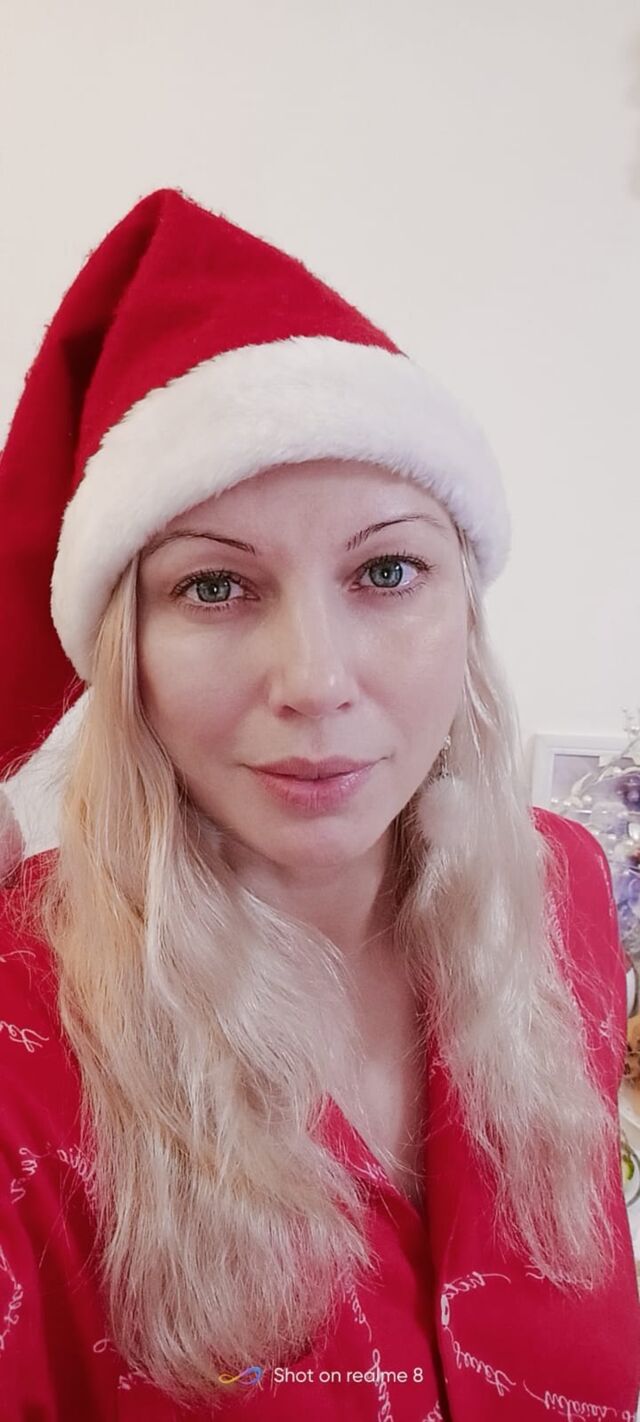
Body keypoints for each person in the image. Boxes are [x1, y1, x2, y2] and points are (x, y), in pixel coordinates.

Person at [0, 188, 638, 1422]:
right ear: (122, 653)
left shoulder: (558, 887)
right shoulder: (22, 1032)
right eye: (215, 587)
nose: (315, 681)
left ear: (464, 605)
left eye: (386, 569)